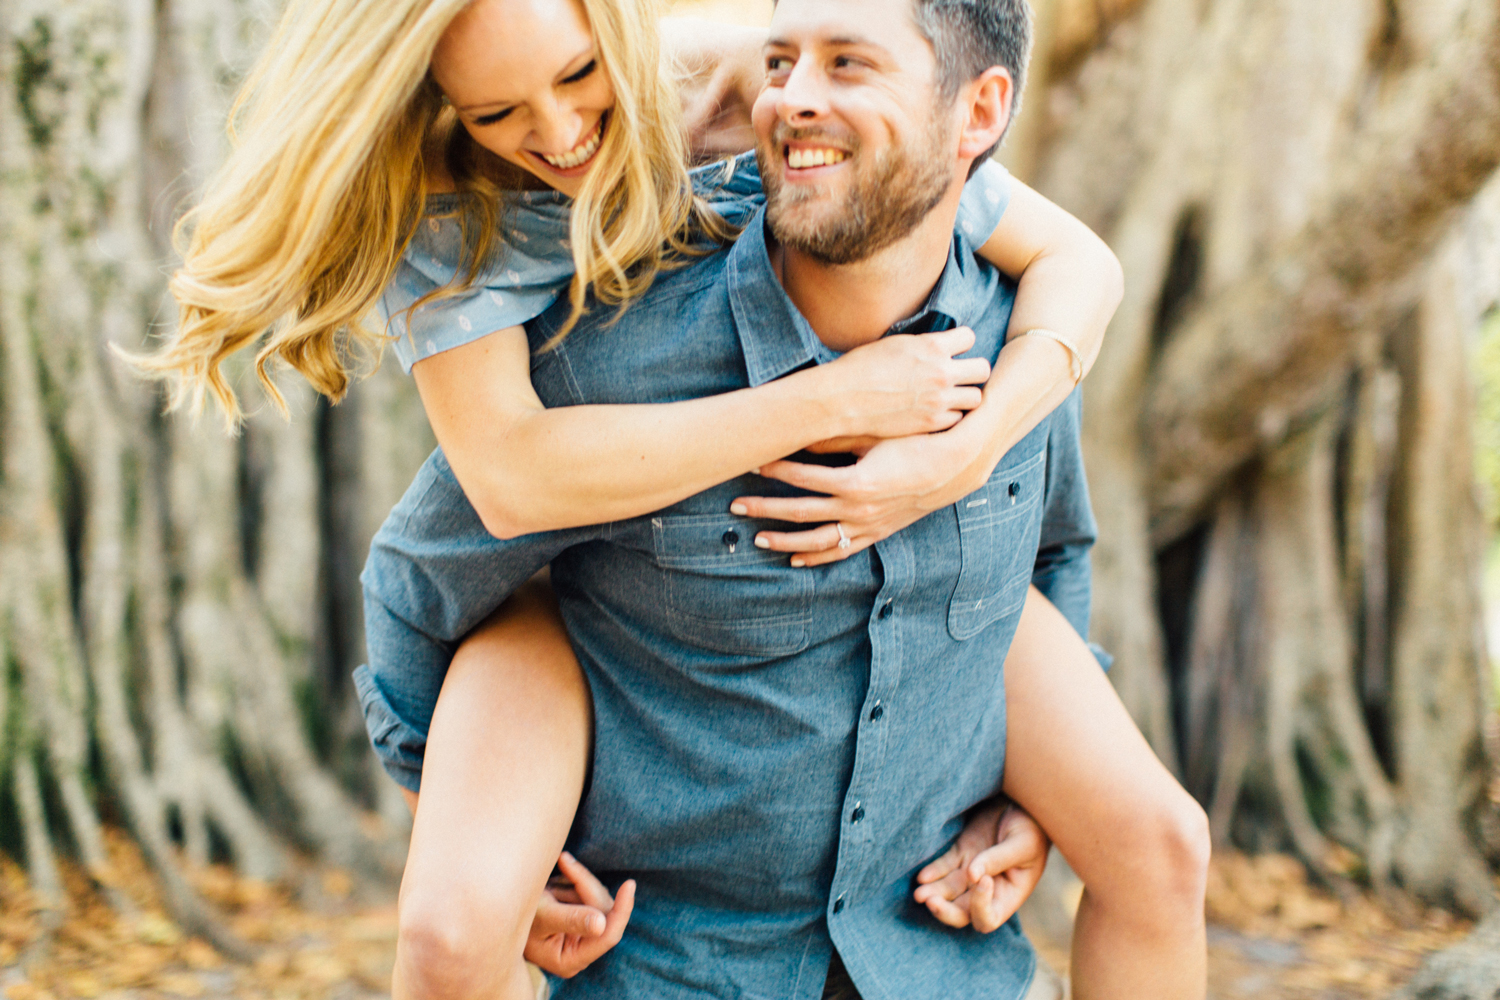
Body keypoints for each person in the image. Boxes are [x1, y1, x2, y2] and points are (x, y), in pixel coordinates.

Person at [354, 1, 1212, 998]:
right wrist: (459, 827)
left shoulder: (994, 324)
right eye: (786, 65)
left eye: (847, 65)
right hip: (675, 931)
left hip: (925, 932)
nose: (553, 130)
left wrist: (965, 455)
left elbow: (1048, 530)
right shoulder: (562, 316)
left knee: (1165, 842)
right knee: (453, 934)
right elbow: (458, 531)